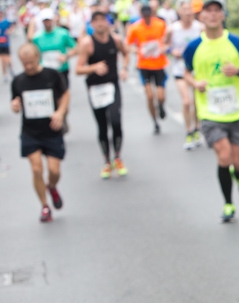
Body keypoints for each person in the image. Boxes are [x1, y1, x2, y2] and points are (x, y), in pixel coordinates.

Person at [183, 0, 239, 222]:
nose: (213, 15)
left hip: (237, 111)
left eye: (217, 11)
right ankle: (228, 204)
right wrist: (195, 83)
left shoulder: (236, 43)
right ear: (201, 17)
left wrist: (237, 72)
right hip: (210, 112)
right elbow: (185, 72)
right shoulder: (193, 46)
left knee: (238, 162)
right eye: (208, 11)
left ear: (223, 15)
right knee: (224, 156)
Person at [11, 43, 69, 223]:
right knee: (36, 168)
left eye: (31, 62)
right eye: (24, 63)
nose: (28, 66)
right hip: (30, 131)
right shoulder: (18, 80)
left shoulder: (52, 75)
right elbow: (15, 103)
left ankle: (51, 186)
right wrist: (15, 106)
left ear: (38, 58)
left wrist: (60, 112)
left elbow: (65, 94)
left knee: (54, 170)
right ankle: (45, 206)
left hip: (51, 130)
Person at [75, 10, 130, 179]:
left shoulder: (116, 40)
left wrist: (124, 69)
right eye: (96, 21)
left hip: (112, 86)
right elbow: (78, 68)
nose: (100, 24)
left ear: (107, 23)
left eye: (102, 20)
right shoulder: (87, 44)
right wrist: (94, 67)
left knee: (115, 120)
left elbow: (126, 53)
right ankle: (106, 161)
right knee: (102, 126)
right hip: (95, 89)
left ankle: (118, 157)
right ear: (92, 25)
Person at [165, 0, 202, 149]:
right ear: (179, 12)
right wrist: (172, 51)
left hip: (197, 70)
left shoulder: (200, 27)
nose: (187, 12)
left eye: (189, 9)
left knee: (198, 103)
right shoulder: (172, 29)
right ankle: (188, 131)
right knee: (187, 102)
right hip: (180, 69)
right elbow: (165, 45)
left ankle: (197, 129)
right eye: (184, 10)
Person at [126, 3, 168, 133]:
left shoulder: (160, 25)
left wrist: (163, 48)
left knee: (160, 96)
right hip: (144, 66)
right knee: (149, 96)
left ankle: (160, 106)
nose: (147, 17)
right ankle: (154, 121)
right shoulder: (135, 28)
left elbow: (166, 41)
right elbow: (128, 45)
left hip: (159, 64)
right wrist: (138, 50)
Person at [31, 8, 76, 90]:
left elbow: (75, 48)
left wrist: (66, 56)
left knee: (63, 92)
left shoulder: (62, 33)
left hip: (61, 70)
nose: (47, 22)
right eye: (45, 20)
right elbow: (33, 53)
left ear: (52, 20)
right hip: (45, 71)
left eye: (48, 20)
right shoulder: (37, 37)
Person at [0, 8, 15, 82]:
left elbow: (12, 25)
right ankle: (5, 75)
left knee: (8, 59)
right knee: (2, 60)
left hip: (5, 43)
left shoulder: (6, 21)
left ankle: (11, 69)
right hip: (0, 45)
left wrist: (9, 31)